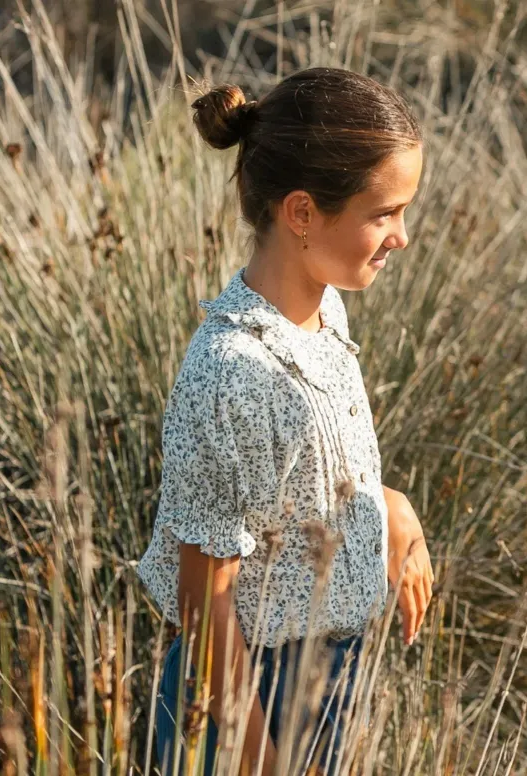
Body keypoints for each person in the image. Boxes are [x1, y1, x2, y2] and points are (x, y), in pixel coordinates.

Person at [137, 66, 434, 776]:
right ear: (301, 213)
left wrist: (385, 508)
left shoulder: (323, 311)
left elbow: (301, 476)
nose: (402, 235)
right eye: (384, 212)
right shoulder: (233, 370)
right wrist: (254, 757)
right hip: (249, 697)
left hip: (328, 681)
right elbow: (203, 595)